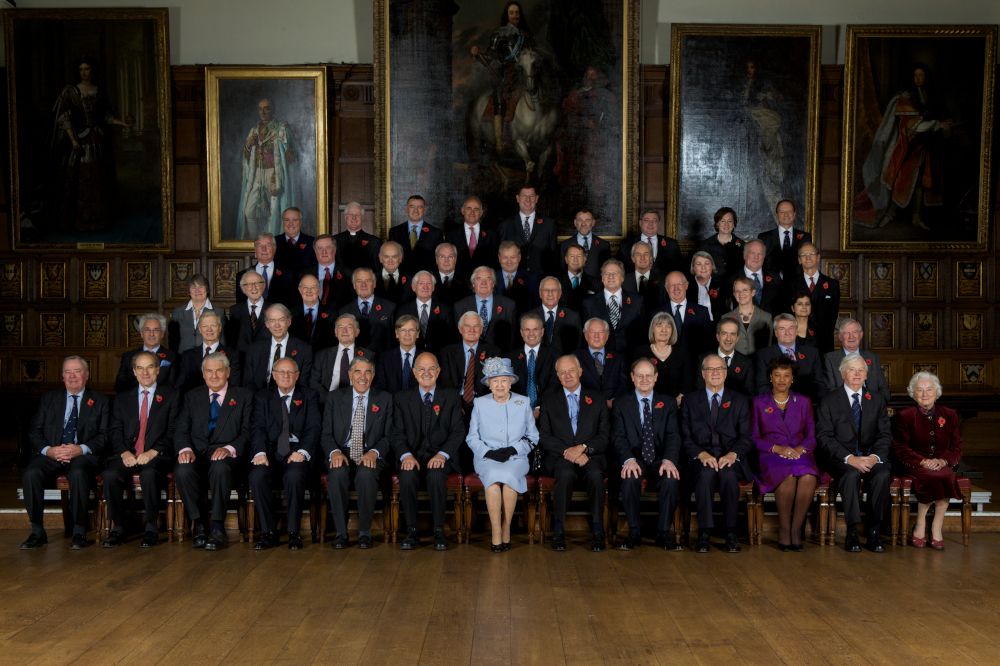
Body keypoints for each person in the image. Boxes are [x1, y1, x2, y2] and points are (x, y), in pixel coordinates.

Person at [21, 356, 109, 550]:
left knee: (78, 474)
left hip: (82, 456)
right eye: (67, 372)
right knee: (31, 473)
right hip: (53, 453)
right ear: (62, 377)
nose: (72, 376)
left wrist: (80, 449)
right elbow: (35, 431)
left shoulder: (100, 401)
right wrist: (49, 450)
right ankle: (37, 532)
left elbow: (104, 436)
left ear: (86, 375)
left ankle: (79, 532)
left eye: (77, 371)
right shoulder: (49, 399)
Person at [855, 64, 952, 231]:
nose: (918, 79)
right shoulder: (905, 98)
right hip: (906, 149)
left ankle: (916, 217)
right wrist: (937, 124)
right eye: (916, 75)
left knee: (921, 183)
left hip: (924, 148)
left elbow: (933, 118)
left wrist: (941, 124)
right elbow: (913, 126)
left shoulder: (929, 97)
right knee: (899, 181)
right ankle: (889, 214)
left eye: (921, 75)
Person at [174, 352, 253, 551]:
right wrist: (185, 449)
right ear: (203, 374)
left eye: (219, 370)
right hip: (198, 454)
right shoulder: (192, 396)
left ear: (228, 372)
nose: (214, 375)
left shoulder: (243, 396)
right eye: (209, 371)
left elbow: (248, 432)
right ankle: (199, 524)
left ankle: (218, 527)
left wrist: (228, 449)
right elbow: (181, 429)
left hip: (229, 457)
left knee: (219, 467)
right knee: (183, 470)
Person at [816, 354, 891, 553]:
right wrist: (851, 459)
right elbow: (824, 437)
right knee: (850, 475)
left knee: (882, 474)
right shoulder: (829, 400)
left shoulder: (876, 400)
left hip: (870, 457)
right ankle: (852, 531)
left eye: (861, 370)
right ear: (842, 373)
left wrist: (875, 457)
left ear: (867, 375)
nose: (857, 374)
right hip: (841, 458)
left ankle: (874, 530)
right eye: (852, 370)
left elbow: (885, 435)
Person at [103, 351, 179, 549]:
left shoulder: (171, 395)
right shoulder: (122, 398)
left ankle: (151, 527)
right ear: (134, 372)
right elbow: (114, 430)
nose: (145, 372)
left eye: (150, 367)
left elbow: (174, 431)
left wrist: (154, 451)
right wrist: (124, 452)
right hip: (128, 453)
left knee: (150, 473)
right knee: (111, 475)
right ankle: (118, 527)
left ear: (158, 370)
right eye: (140, 368)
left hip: (157, 454)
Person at [390, 352, 465, 551]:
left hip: (440, 456)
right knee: (406, 476)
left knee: (436, 476)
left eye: (431, 368)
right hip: (412, 455)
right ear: (414, 373)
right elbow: (396, 433)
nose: (426, 373)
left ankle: (439, 531)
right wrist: (406, 455)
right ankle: (412, 531)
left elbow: (458, 432)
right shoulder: (401, 398)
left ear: (438, 371)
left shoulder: (451, 397)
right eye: (421, 369)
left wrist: (442, 455)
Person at [538, 355, 610, 552]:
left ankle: (597, 530)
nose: (567, 375)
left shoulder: (597, 398)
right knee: (565, 474)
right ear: (558, 376)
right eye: (562, 372)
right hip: (560, 456)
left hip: (590, 456)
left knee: (595, 475)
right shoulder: (549, 400)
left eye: (571, 370)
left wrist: (584, 448)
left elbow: (604, 436)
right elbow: (543, 436)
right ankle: (559, 529)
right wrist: (566, 450)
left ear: (580, 371)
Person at [466, 357, 539, 552]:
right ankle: (496, 532)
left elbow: (533, 437)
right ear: (489, 384)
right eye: (495, 380)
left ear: (511, 382)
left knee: (508, 480)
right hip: (487, 458)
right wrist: (488, 452)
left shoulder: (523, 402)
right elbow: (472, 438)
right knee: (492, 484)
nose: (499, 385)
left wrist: (514, 449)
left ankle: (507, 528)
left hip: (516, 458)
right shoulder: (480, 403)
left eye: (504, 380)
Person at [681, 355, 752, 553]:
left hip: (730, 457)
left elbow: (746, 437)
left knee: (728, 475)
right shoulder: (690, 400)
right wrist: (701, 454)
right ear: (703, 374)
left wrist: (733, 455)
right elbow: (685, 436)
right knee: (705, 475)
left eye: (719, 369)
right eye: (710, 369)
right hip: (701, 457)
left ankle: (730, 532)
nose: (715, 373)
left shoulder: (739, 400)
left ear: (726, 373)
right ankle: (704, 532)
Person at [249, 358, 320, 551]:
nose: (286, 376)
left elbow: (314, 428)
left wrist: (302, 452)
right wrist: (260, 452)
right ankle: (268, 532)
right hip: (270, 451)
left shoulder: (309, 396)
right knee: (257, 475)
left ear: (297, 375)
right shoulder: (262, 397)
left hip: (297, 451)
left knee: (294, 475)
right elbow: (257, 428)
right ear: (273, 375)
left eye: (290, 372)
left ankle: (293, 532)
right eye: (281, 372)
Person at [322, 357, 393, 549]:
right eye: (357, 372)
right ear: (349, 375)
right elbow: (326, 434)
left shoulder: (384, 398)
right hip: (342, 450)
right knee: (336, 474)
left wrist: (374, 453)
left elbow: (389, 436)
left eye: (367, 372)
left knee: (366, 473)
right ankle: (341, 533)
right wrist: (335, 452)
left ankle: (364, 532)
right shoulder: (335, 398)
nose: (362, 377)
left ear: (373, 375)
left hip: (371, 452)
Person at [51, 58, 129, 232]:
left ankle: (98, 220)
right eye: (81, 69)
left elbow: (106, 117)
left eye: (87, 69)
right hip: (80, 141)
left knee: (98, 178)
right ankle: (80, 221)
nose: (84, 72)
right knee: (80, 179)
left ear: (92, 71)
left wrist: (122, 123)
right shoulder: (71, 91)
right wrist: (73, 140)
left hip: (96, 140)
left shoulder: (98, 91)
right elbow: (64, 118)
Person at [612, 358, 683, 550]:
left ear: (656, 377)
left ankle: (663, 533)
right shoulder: (621, 403)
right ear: (632, 378)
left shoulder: (667, 403)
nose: (644, 379)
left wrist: (669, 460)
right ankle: (634, 533)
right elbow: (618, 436)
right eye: (640, 375)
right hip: (635, 457)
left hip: (661, 458)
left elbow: (673, 435)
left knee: (670, 478)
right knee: (629, 478)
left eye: (649, 375)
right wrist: (628, 460)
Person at [751, 357, 819, 551]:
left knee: (807, 476)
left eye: (786, 376)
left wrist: (800, 449)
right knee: (787, 475)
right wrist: (777, 449)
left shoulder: (804, 402)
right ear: (770, 378)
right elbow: (754, 437)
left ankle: (796, 529)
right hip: (771, 454)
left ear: (792, 379)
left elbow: (811, 436)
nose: (782, 380)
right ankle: (784, 528)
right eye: (777, 375)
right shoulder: (758, 402)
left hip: (799, 453)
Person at [892, 372, 964, 550]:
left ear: (936, 392)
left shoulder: (949, 414)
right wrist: (923, 461)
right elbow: (900, 448)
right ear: (913, 393)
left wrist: (944, 460)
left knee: (946, 475)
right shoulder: (905, 416)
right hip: (914, 464)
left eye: (929, 389)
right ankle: (920, 523)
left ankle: (936, 526)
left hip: (941, 464)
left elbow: (957, 446)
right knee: (931, 476)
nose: (925, 394)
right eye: (920, 390)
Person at [470, 2, 533, 153]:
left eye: (517, 12)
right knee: (499, 97)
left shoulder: (526, 35)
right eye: (512, 13)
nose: (515, 16)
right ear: (507, 15)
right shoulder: (499, 34)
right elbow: (490, 56)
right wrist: (477, 54)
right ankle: (499, 141)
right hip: (504, 74)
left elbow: (532, 54)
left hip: (523, 74)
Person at [236, 98, 295, 240]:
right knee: (249, 210)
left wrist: (288, 150)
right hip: (256, 174)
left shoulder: (281, 128)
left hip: (273, 173)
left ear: (272, 109)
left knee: (273, 211)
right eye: (260, 109)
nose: (263, 112)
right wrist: (248, 146)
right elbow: (245, 155)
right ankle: (256, 242)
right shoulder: (254, 130)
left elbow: (291, 157)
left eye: (266, 108)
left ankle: (271, 242)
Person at [439, 312, 502, 414]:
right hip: (455, 403)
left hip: (484, 404)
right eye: (467, 326)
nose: (472, 330)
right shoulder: (447, 353)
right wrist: (456, 405)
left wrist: (483, 405)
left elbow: (494, 384)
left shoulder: (493, 352)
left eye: (476, 326)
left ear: (481, 330)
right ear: (460, 329)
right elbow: (446, 384)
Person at [242, 303, 314, 391]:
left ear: (289, 322)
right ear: (267, 324)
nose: (277, 325)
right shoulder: (254, 349)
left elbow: (304, 385)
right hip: (259, 398)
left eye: (281, 320)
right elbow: (248, 383)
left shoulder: (304, 349)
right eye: (272, 321)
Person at [784, 242, 839, 355]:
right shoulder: (790, 285)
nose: (808, 257)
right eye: (804, 254)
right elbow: (787, 314)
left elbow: (833, 316)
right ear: (799, 260)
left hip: (824, 343)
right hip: (797, 341)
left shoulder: (832, 284)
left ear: (818, 257)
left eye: (811, 254)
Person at [581, 259, 644, 355]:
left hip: (631, 355)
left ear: (622, 277)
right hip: (601, 356)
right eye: (606, 273)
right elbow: (586, 334)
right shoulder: (589, 303)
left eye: (615, 273)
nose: (610, 276)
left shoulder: (637, 301)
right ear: (602, 278)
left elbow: (642, 333)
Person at [819, 318, 890, 403]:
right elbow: (830, 390)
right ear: (840, 337)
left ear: (861, 335)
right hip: (843, 408)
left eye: (855, 332)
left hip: (872, 407)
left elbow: (883, 389)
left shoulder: (872, 357)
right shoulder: (830, 358)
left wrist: (875, 406)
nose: (851, 336)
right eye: (846, 333)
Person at [308, 314, 374, 402]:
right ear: (336, 332)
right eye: (341, 327)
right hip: (327, 401)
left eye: (349, 327)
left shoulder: (368, 355)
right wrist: (328, 399)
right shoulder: (322, 355)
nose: (344, 331)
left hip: (356, 401)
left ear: (357, 332)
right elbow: (313, 381)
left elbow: (371, 382)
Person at [754, 314, 820, 401]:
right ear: (776, 333)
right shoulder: (763, 355)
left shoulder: (812, 353)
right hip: (775, 407)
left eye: (791, 328)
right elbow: (762, 387)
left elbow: (819, 385)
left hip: (807, 406)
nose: (787, 333)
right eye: (782, 329)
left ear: (796, 331)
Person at [454, 265, 517, 354]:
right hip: (470, 358)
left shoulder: (509, 305)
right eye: (479, 279)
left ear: (493, 283)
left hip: (500, 357)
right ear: (473, 283)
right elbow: (457, 339)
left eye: (488, 279)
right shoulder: (460, 306)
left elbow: (513, 338)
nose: (483, 283)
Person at [633, 312, 694, 403]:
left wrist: (679, 399)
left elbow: (688, 382)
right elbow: (635, 380)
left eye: (668, 326)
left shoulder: (682, 353)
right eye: (659, 325)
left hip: (677, 405)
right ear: (652, 329)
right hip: (647, 404)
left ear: (673, 330)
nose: (664, 330)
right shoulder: (640, 353)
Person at [176, 311, 242, 393]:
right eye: (205, 326)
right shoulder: (187, 356)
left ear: (220, 328)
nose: (209, 329)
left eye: (213, 325)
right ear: (200, 329)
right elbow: (180, 387)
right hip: (193, 403)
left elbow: (234, 385)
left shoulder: (232, 355)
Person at [499, 185, 557, 276]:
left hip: (541, 282)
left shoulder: (549, 224)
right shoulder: (506, 225)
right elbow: (501, 255)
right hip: (514, 282)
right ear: (518, 198)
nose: (528, 200)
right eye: (524, 196)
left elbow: (554, 257)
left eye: (531, 196)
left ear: (537, 198)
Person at [395, 270, 457, 354]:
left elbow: (451, 339)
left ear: (433, 287)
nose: (425, 287)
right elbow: (398, 337)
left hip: (438, 357)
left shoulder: (446, 310)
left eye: (428, 283)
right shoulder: (402, 310)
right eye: (421, 284)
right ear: (413, 287)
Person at [115, 313, 178, 392]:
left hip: (163, 401)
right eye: (147, 330)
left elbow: (174, 387)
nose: (151, 334)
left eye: (156, 330)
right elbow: (119, 386)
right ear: (141, 333)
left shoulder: (173, 357)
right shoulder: (128, 356)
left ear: (162, 334)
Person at [574, 318, 628, 408]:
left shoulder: (618, 358)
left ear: (607, 336)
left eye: (601, 332)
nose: (596, 336)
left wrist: (614, 402)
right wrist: (597, 403)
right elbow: (572, 385)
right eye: (592, 332)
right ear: (586, 335)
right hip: (586, 409)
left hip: (613, 409)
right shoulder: (575, 357)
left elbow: (623, 385)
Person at [340, 267, 396, 354]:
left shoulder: (390, 308)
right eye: (359, 281)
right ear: (354, 285)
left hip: (381, 360)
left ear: (374, 284)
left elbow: (393, 341)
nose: (363, 285)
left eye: (368, 280)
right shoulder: (344, 311)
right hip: (354, 362)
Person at [234, 232, 295, 308]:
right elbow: (240, 307)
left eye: (268, 245)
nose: (264, 249)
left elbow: (292, 305)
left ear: (274, 249)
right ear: (255, 250)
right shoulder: (241, 276)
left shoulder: (289, 274)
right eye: (260, 245)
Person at [169, 274, 226, 354]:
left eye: (201, 287)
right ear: (189, 291)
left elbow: (222, 340)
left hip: (210, 359)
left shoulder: (218, 312)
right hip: (183, 359)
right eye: (193, 287)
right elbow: (173, 342)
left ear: (207, 289)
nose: (197, 290)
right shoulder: (178, 312)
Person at [617, 209, 684, 276]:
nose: (650, 224)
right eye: (646, 220)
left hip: (664, 285)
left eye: (654, 221)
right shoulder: (626, 244)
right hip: (635, 284)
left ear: (659, 223)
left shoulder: (671, 244)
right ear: (640, 223)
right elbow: (619, 270)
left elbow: (679, 270)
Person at [446, 195, 498, 280]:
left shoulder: (492, 235)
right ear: (462, 211)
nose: (472, 212)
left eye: (476, 209)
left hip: (483, 283)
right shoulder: (452, 235)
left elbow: (495, 262)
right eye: (469, 208)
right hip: (458, 284)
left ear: (481, 213)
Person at [659, 271, 712, 355]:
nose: (676, 288)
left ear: (686, 285)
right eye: (672, 285)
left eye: (679, 284)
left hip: (694, 364)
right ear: (666, 288)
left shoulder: (702, 312)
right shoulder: (657, 313)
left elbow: (709, 343)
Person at [758, 199, 812, 280]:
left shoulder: (805, 238)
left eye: (789, 211)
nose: (786, 215)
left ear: (794, 214)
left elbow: (808, 263)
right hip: (771, 287)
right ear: (777, 215)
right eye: (782, 212)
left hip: (797, 286)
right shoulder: (764, 238)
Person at [388, 194, 443, 275]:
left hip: (426, 279)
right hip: (401, 279)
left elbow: (438, 259)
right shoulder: (395, 232)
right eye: (412, 207)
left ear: (424, 210)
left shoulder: (435, 233)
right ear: (406, 209)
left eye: (420, 207)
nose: (415, 211)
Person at [528, 276, 581, 354]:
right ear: (540, 293)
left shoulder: (573, 317)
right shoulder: (529, 317)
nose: (550, 294)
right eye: (546, 290)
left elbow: (577, 347)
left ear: (560, 294)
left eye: (554, 290)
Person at [724, 276, 773, 356]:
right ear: (734, 294)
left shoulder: (766, 317)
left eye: (745, 290)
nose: (741, 294)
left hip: (759, 364)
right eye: (737, 291)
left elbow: (769, 346)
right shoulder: (726, 318)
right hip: (736, 364)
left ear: (753, 292)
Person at [559, 209, 610, 282]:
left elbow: (606, 271)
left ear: (593, 223)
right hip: (572, 287)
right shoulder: (564, 245)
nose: (583, 224)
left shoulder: (604, 245)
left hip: (596, 289)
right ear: (575, 223)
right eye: (580, 220)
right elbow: (562, 271)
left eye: (587, 220)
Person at [707, 317, 755, 396]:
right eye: (724, 333)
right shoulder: (704, 359)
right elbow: (700, 390)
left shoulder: (746, 363)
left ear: (737, 338)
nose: (728, 339)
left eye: (732, 334)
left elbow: (748, 394)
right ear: (718, 337)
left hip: (737, 407)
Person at [374, 315, 421, 393]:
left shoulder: (426, 357)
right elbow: (380, 387)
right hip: (391, 403)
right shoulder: (384, 358)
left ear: (417, 333)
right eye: (403, 330)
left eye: (411, 330)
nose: (407, 334)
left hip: (418, 403)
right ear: (397, 333)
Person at [734, 238, 782, 314]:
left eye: (760, 254)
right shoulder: (732, 280)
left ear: (764, 257)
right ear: (744, 255)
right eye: (752, 253)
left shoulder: (775, 278)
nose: (756, 257)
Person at [226, 271, 270, 353]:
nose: (254, 288)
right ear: (243, 289)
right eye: (249, 284)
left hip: (266, 357)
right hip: (242, 359)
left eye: (257, 283)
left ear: (263, 286)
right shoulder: (235, 310)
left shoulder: (273, 309)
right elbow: (232, 341)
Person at [290, 274, 336, 352]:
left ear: (319, 290)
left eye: (313, 287)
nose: (309, 291)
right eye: (305, 288)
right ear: (300, 290)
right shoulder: (291, 314)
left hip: (323, 360)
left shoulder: (333, 315)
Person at [698, 207, 745, 281]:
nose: (726, 224)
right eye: (723, 221)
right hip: (712, 287)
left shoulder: (742, 245)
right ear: (717, 224)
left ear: (734, 224)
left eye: (730, 221)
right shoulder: (705, 245)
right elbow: (699, 270)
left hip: (735, 287)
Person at [333, 201, 382, 273]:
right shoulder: (334, 240)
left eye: (357, 215)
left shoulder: (374, 242)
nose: (354, 217)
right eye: (351, 214)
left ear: (362, 218)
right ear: (345, 217)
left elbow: (378, 270)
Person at [494, 241, 538, 314]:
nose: (509, 261)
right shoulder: (490, 278)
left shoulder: (532, 279)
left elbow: (535, 307)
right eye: (505, 257)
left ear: (519, 258)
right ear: (499, 258)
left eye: (513, 257)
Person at [312, 234, 353, 310]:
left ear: (334, 250)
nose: (324, 252)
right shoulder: (304, 275)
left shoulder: (349, 275)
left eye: (328, 247)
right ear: (315, 251)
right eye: (320, 248)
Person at [687, 251, 728, 321]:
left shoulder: (723, 285)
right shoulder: (686, 287)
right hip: (693, 326)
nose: (703, 267)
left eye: (707, 263)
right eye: (698, 264)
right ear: (693, 267)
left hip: (718, 327)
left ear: (712, 266)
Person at [274, 206, 316, 274]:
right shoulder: (274, 242)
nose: (291, 223)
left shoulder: (312, 242)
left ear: (300, 222)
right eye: (287, 220)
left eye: (295, 220)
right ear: (283, 222)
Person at [559, 242, 596, 312]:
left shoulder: (596, 283)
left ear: (585, 259)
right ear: (566, 259)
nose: (575, 259)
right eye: (572, 256)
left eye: (579, 256)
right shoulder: (555, 282)